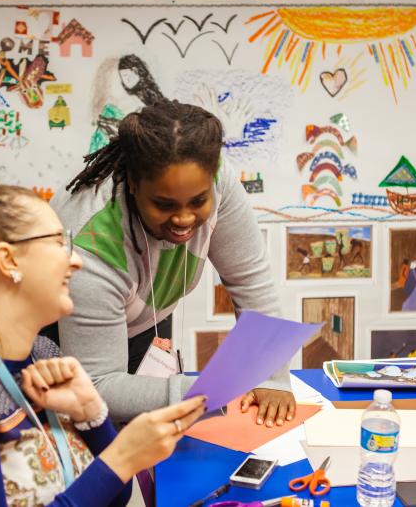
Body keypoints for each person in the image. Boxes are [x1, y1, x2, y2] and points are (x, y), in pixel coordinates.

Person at [0, 184, 206, 506]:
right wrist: (122, 458)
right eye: (60, 242)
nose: (76, 260)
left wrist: (91, 416)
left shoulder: (42, 355)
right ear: (8, 261)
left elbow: (114, 497)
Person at [50, 99, 295, 427]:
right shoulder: (90, 246)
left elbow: (250, 280)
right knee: (105, 452)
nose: (183, 219)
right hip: (68, 340)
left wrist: (270, 377)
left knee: (157, 448)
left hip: (144, 320)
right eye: (164, 204)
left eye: (198, 201)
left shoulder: (215, 178)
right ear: (134, 185)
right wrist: (208, 392)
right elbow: (96, 385)